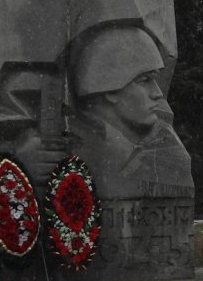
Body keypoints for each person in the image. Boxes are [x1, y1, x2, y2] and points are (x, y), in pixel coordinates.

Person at [69, 25, 193, 199]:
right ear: (110, 89)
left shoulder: (168, 148)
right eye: (145, 80)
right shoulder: (74, 149)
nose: (157, 93)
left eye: (154, 80)